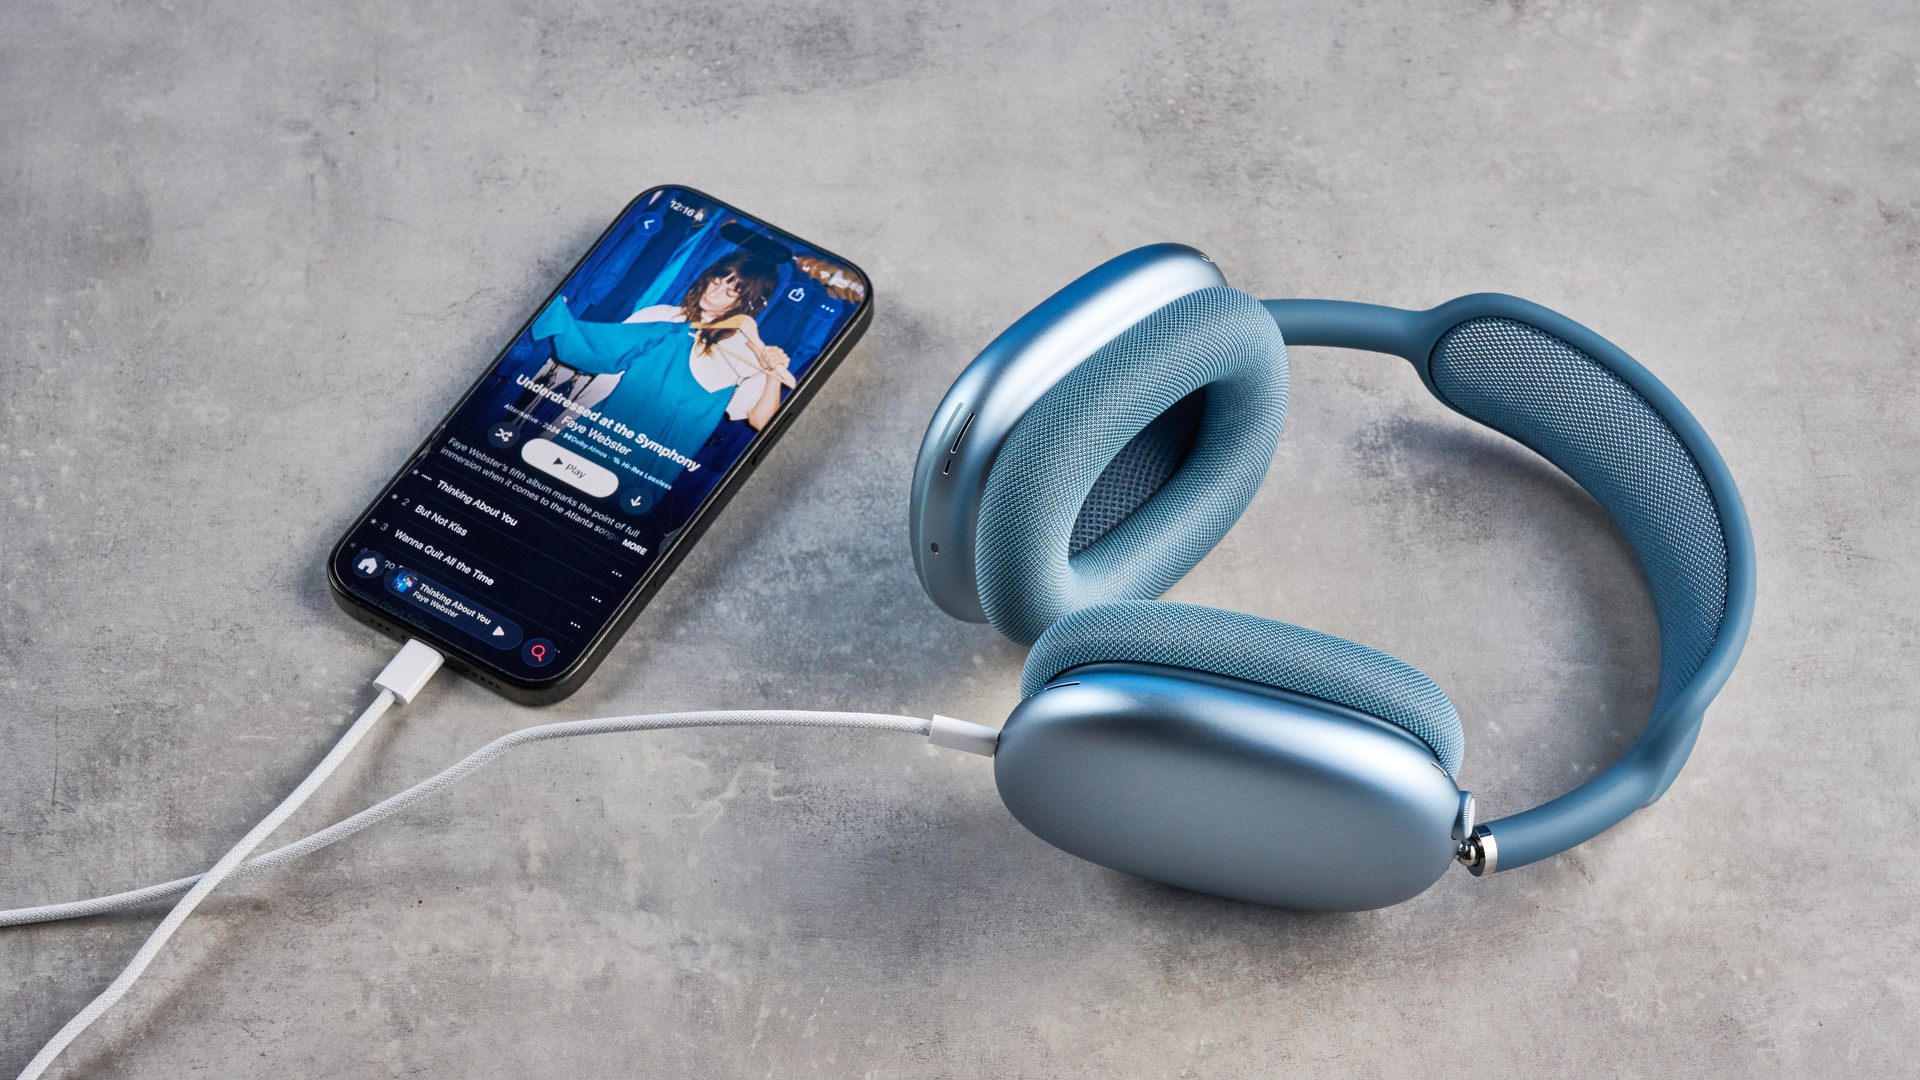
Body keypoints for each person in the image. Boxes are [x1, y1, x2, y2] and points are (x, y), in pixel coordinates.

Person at [528, 251, 793, 513]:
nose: (712, 293)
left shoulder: (748, 354)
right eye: (716, 280)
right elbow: (592, 349)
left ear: (747, 303)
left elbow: (762, 421)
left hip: (647, 471)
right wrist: (554, 310)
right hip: (593, 436)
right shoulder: (663, 318)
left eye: (729, 291)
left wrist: (773, 374)